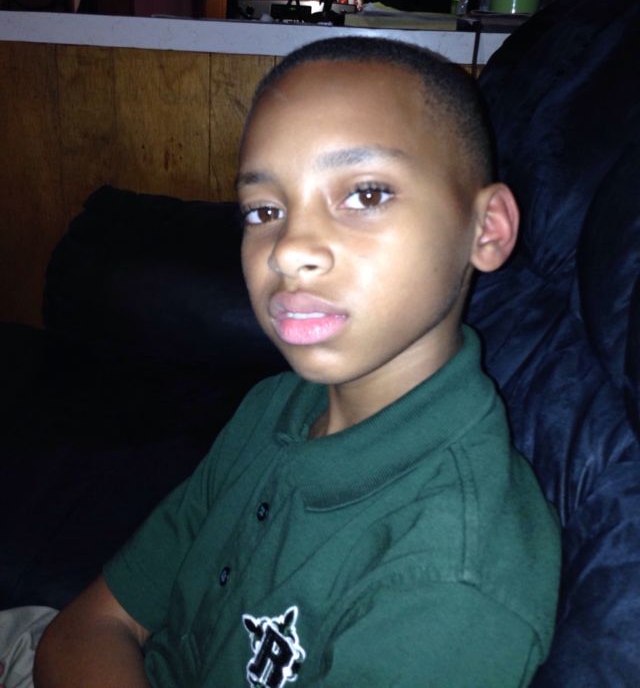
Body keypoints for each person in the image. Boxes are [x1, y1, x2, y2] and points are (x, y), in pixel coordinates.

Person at [34, 36, 560, 687]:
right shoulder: (275, 405)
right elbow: (87, 625)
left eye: (365, 194)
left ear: (486, 228)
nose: (287, 249)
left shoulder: (452, 579)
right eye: (265, 210)